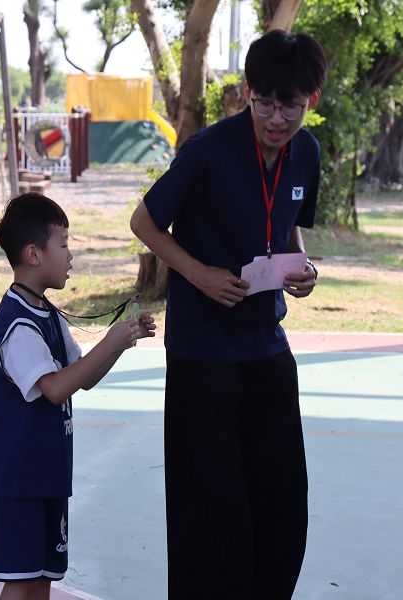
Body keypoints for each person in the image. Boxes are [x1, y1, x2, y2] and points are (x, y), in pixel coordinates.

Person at [130, 30, 328, 599]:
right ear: (247, 93)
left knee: (283, 502)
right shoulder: (208, 151)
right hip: (202, 352)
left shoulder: (306, 154)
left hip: (265, 344)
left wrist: (303, 268)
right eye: (265, 104)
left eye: (290, 107)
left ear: (311, 100)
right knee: (211, 508)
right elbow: (144, 223)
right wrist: (198, 274)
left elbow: (287, 230)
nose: (276, 119)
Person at [0, 192, 155, 600]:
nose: (70, 255)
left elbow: (84, 377)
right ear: (33, 254)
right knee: (21, 580)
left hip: (48, 474)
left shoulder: (47, 313)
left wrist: (121, 342)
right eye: (63, 244)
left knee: (42, 577)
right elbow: (56, 388)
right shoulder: (18, 325)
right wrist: (110, 341)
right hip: (19, 479)